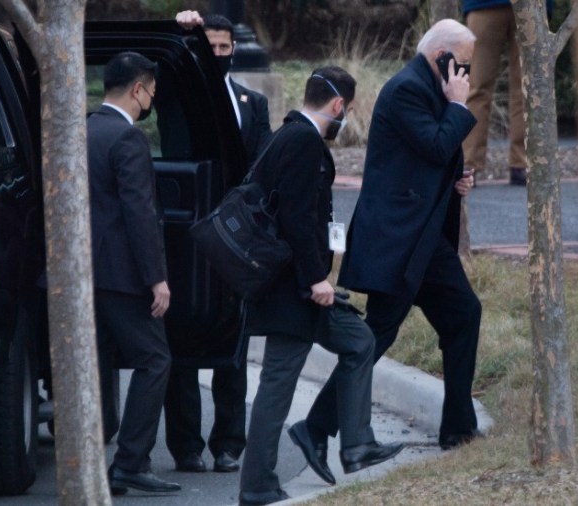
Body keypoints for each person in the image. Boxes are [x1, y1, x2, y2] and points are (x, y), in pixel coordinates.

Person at [302, 19, 482, 453]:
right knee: (380, 333)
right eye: (461, 63)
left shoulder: (429, 88)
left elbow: (428, 158)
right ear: (441, 54)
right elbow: (436, 144)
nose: (465, 75)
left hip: (420, 238)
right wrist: (458, 107)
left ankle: (458, 428)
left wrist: (457, 179)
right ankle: (316, 426)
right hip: (399, 240)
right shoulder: (407, 89)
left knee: (462, 316)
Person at [238, 66, 403, 506]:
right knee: (277, 385)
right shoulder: (302, 141)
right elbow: (294, 218)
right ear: (337, 105)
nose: (343, 118)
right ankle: (256, 486)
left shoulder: (288, 137)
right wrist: (315, 279)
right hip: (292, 291)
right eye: (345, 111)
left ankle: (356, 443)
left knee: (359, 342)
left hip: (299, 287)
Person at [164, 10, 272, 474]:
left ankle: (229, 443)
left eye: (226, 48)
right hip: (183, 236)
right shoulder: (173, 97)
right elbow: (154, 81)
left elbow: (263, 167)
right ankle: (185, 447)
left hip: (233, 242)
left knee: (235, 341)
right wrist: (178, 31)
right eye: (212, 48)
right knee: (180, 340)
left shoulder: (252, 103)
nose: (219, 55)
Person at [87, 51, 180, 495]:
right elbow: (139, 213)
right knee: (155, 360)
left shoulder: (81, 129)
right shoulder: (128, 139)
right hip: (121, 276)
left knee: (96, 366)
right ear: (139, 89)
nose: (151, 101)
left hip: (82, 275)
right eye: (152, 92)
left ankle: (94, 462)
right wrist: (156, 278)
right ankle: (130, 462)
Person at [462, 0, 552, 186]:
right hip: (492, 5)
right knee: (520, 89)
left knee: (484, 89)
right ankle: (473, 164)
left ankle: (473, 165)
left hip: (504, 6)